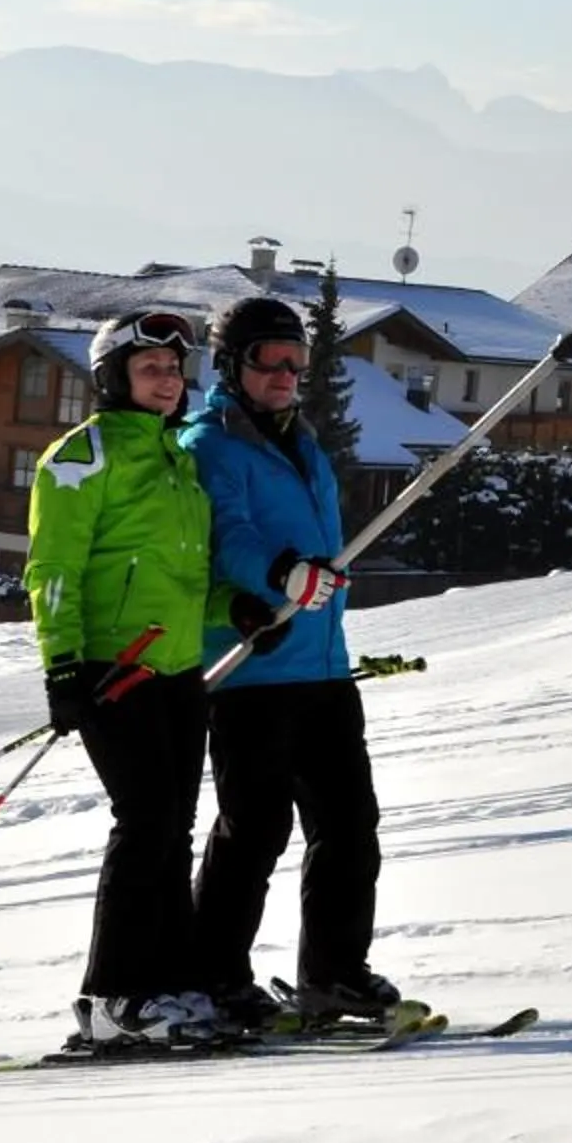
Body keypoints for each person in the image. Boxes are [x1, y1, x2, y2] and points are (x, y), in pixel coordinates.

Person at [183, 293, 402, 1034]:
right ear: (231, 365)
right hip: (254, 669)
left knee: (349, 825)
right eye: (268, 361)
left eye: (296, 363)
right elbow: (226, 539)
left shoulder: (302, 442)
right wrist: (283, 575)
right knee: (256, 827)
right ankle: (213, 976)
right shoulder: (209, 445)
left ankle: (333, 974)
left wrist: (315, 583)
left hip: (324, 668)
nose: (284, 375)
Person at [24, 309, 221, 1049]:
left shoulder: (179, 460)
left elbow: (185, 573)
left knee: (174, 829)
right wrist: (64, 665)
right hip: (116, 669)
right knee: (143, 825)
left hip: (178, 668)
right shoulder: (83, 455)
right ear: (113, 378)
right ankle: (112, 997)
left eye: (174, 371)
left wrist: (244, 605)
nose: (168, 383)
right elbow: (52, 568)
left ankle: (165, 987)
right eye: (151, 370)